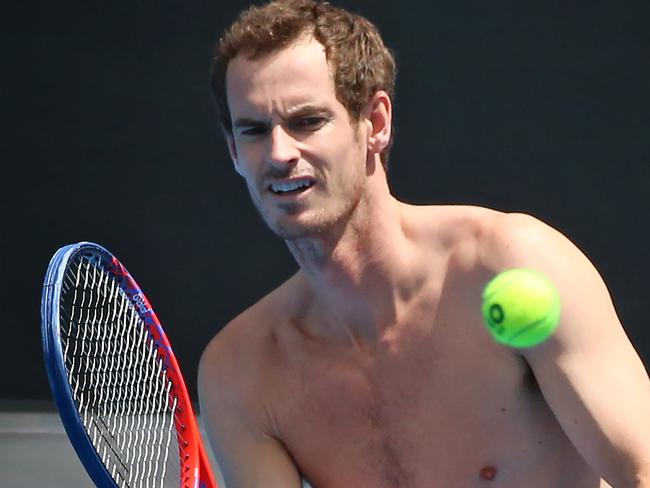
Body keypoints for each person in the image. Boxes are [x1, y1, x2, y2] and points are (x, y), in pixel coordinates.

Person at [198, 1, 650, 486]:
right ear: (233, 152)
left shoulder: (513, 264)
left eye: (307, 121)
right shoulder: (241, 372)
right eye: (254, 131)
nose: (280, 153)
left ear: (375, 122)